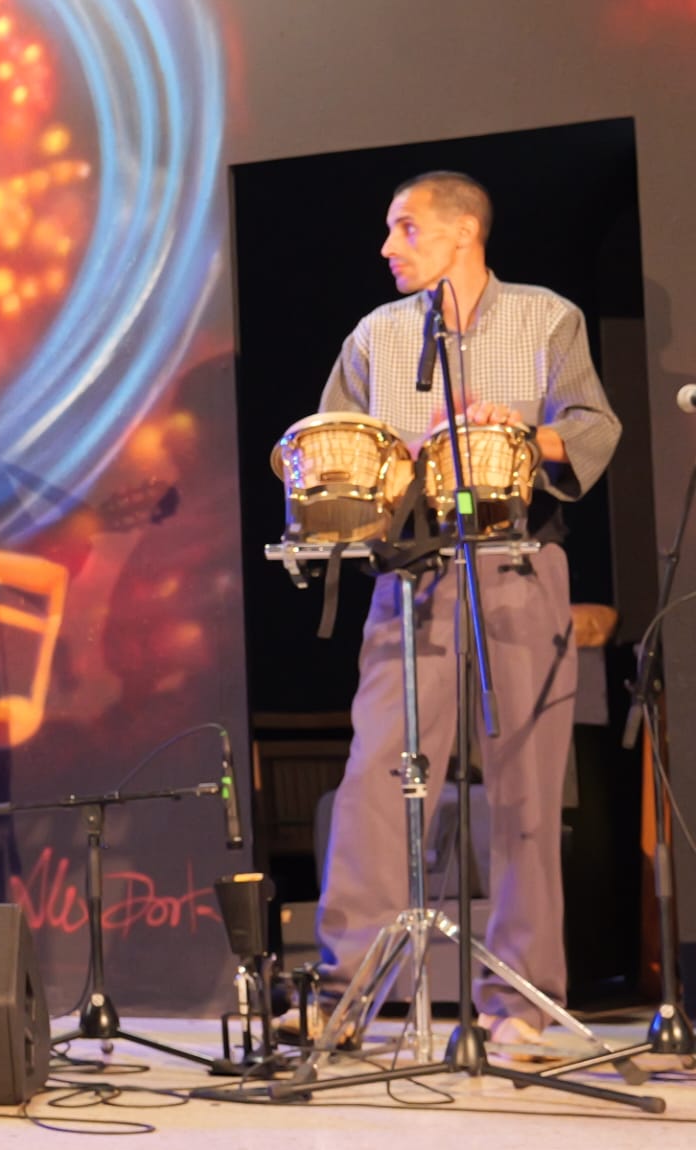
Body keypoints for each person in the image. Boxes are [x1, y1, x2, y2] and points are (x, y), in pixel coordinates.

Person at [310, 172, 622, 1050]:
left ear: (463, 234)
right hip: (411, 571)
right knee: (378, 776)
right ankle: (348, 994)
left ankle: (519, 1001)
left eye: (404, 228)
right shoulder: (375, 336)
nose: (387, 247)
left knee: (525, 784)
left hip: (519, 562)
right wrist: (390, 457)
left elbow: (591, 428)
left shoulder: (546, 317)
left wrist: (515, 431)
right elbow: (338, 449)